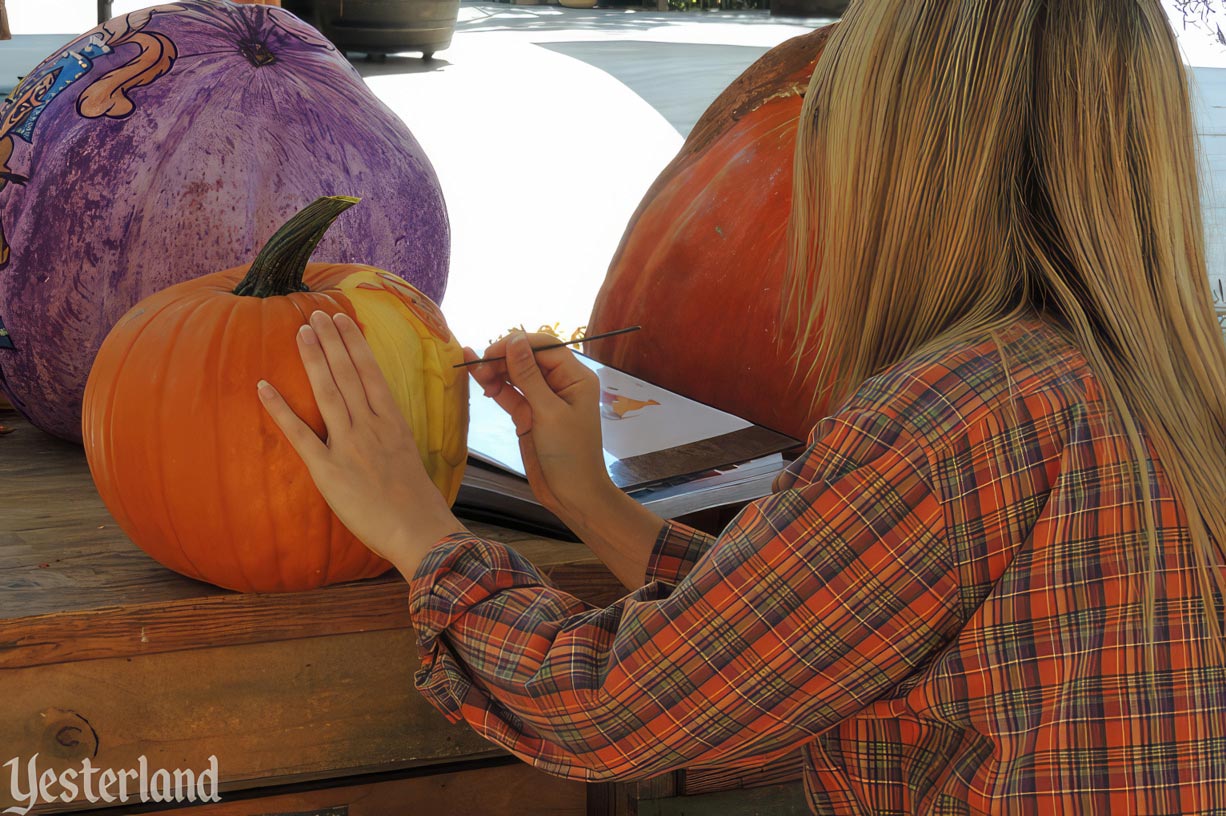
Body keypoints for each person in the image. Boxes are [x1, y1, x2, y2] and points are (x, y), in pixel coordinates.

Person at [255, 0, 1226, 811]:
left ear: (896, 162)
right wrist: (590, 500)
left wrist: (418, 530)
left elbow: (612, 712)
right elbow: (812, 620)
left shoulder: (954, 416)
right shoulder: (1171, 384)